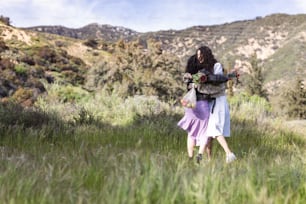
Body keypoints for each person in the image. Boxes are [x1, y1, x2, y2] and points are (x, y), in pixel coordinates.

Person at [177, 53, 229, 162]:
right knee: (205, 131)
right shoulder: (204, 73)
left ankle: (190, 157)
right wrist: (229, 76)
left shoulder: (188, 75)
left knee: (191, 133)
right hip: (203, 104)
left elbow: (188, 82)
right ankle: (200, 153)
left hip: (190, 105)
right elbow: (217, 79)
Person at [195, 46, 236, 164]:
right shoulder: (201, 70)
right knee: (208, 131)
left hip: (218, 101)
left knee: (214, 129)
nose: (199, 58)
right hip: (209, 102)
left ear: (206, 55)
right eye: (198, 56)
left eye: (201, 55)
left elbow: (218, 83)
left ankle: (229, 153)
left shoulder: (216, 66)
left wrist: (205, 79)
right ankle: (204, 157)